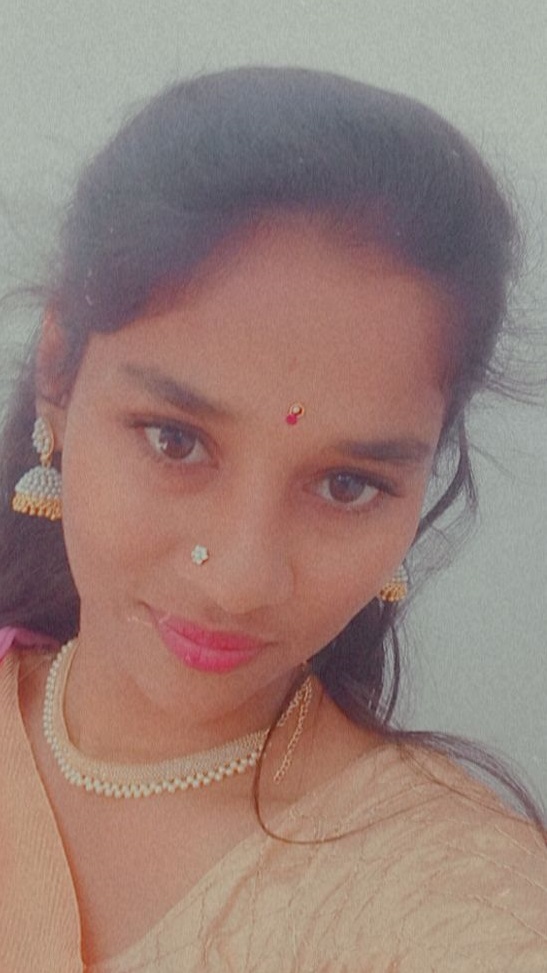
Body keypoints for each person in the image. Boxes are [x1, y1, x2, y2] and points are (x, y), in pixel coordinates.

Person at [0, 65, 545, 972]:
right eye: (175, 440)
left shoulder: (461, 908)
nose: (240, 577)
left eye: (346, 485)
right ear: (58, 372)